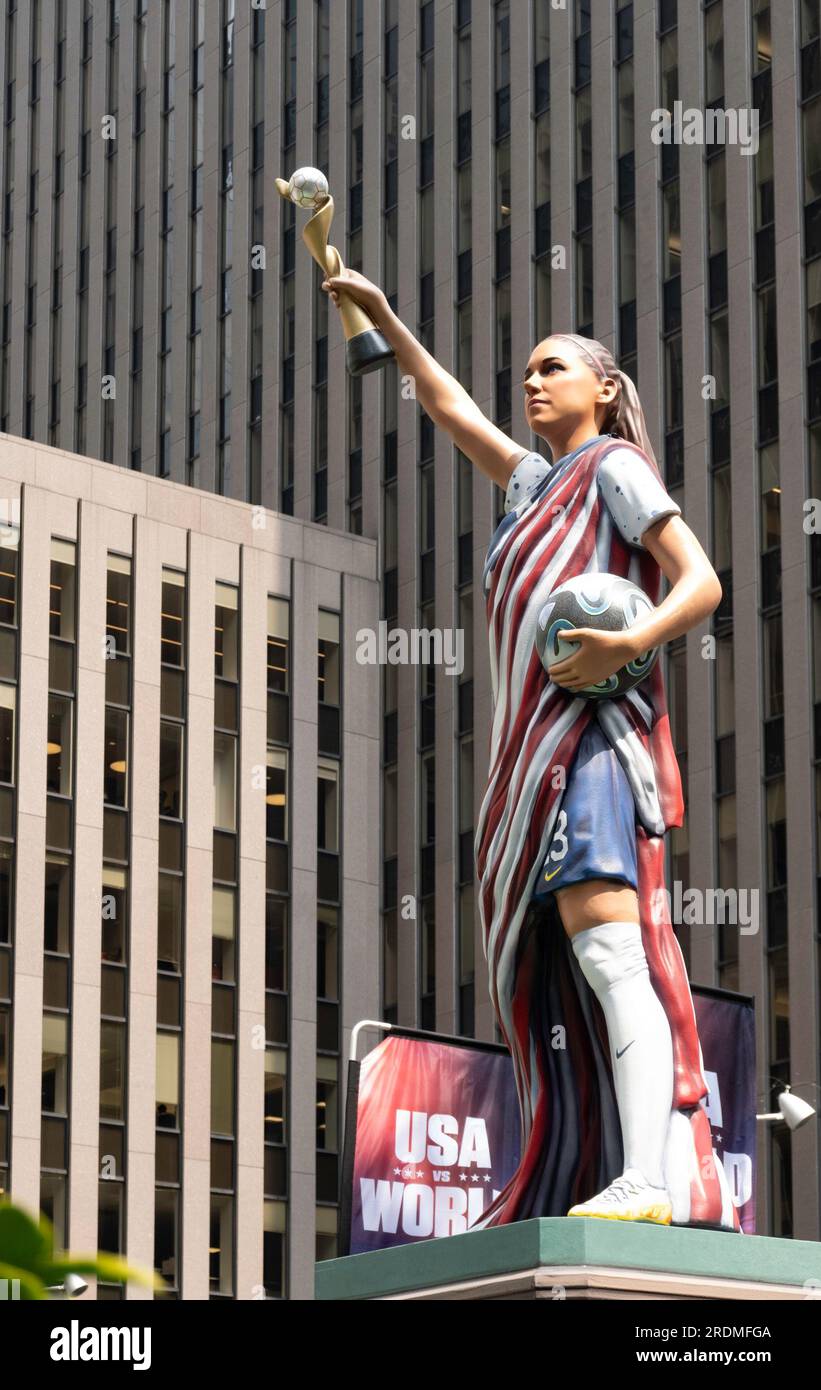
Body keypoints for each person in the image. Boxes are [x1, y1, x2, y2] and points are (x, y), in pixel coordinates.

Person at [322, 269, 740, 1232]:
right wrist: (382, 317)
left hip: (590, 745)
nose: (532, 383)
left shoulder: (616, 471)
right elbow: (448, 403)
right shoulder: (528, 484)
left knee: (608, 953)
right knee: (556, 977)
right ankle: (597, 1165)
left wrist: (629, 644)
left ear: (602, 387)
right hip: (524, 765)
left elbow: (703, 581)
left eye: (553, 368)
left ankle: (650, 1176)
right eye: (525, 371)